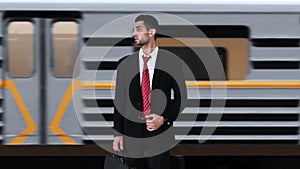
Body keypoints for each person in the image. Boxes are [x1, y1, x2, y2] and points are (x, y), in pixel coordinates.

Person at [112, 14, 187, 169]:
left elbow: (182, 98)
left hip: (160, 134)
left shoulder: (171, 62)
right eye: (134, 30)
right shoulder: (125, 64)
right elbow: (120, 100)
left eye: (138, 29)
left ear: (151, 32)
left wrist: (164, 118)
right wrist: (118, 134)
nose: (134, 34)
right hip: (131, 133)